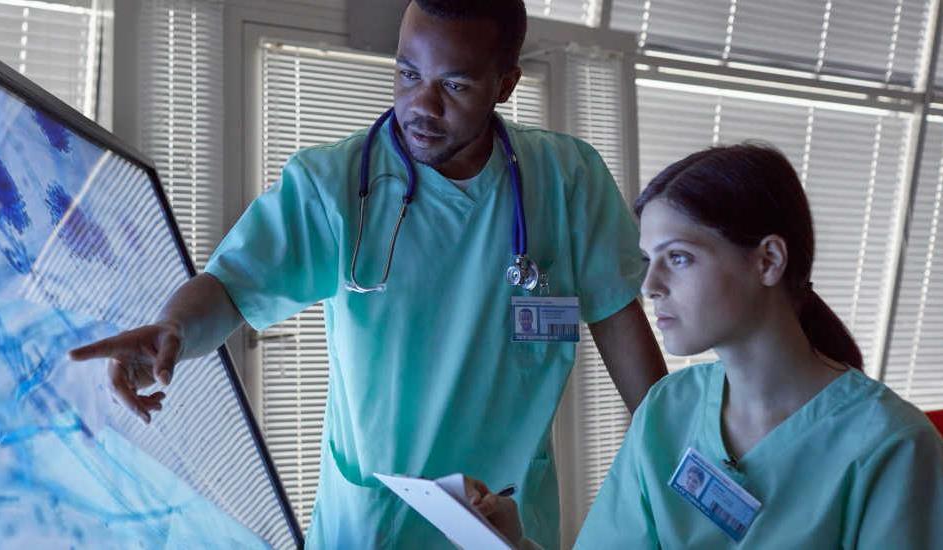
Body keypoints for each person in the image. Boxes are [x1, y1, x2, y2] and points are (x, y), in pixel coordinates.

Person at [68, 1, 667, 547]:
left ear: (504, 84)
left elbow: (620, 323)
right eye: (408, 73)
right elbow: (229, 287)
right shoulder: (334, 185)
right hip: (370, 528)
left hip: (505, 526)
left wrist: (673, 462)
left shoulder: (567, 181)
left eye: (453, 85)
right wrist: (173, 326)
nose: (421, 106)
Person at [469, 144, 943, 548]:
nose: (651, 284)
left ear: (768, 261)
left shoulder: (892, 445)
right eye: (647, 260)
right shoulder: (667, 410)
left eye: (678, 257)